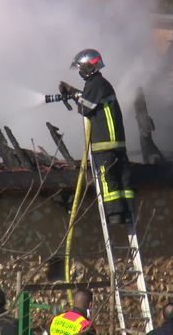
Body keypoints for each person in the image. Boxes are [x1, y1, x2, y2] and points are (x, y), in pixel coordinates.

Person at [59, 48, 134, 224]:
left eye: (80, 68)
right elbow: (89, 101)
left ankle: (115, 215)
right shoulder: (101, 84)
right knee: (123, 180)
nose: (79, 72)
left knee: (108, 180)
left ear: (88, 67)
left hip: (104, 143)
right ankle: (127, 213)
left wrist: (73, 94)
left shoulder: (95, 84)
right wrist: (73, 92)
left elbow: (85, 107)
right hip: (116, 143)